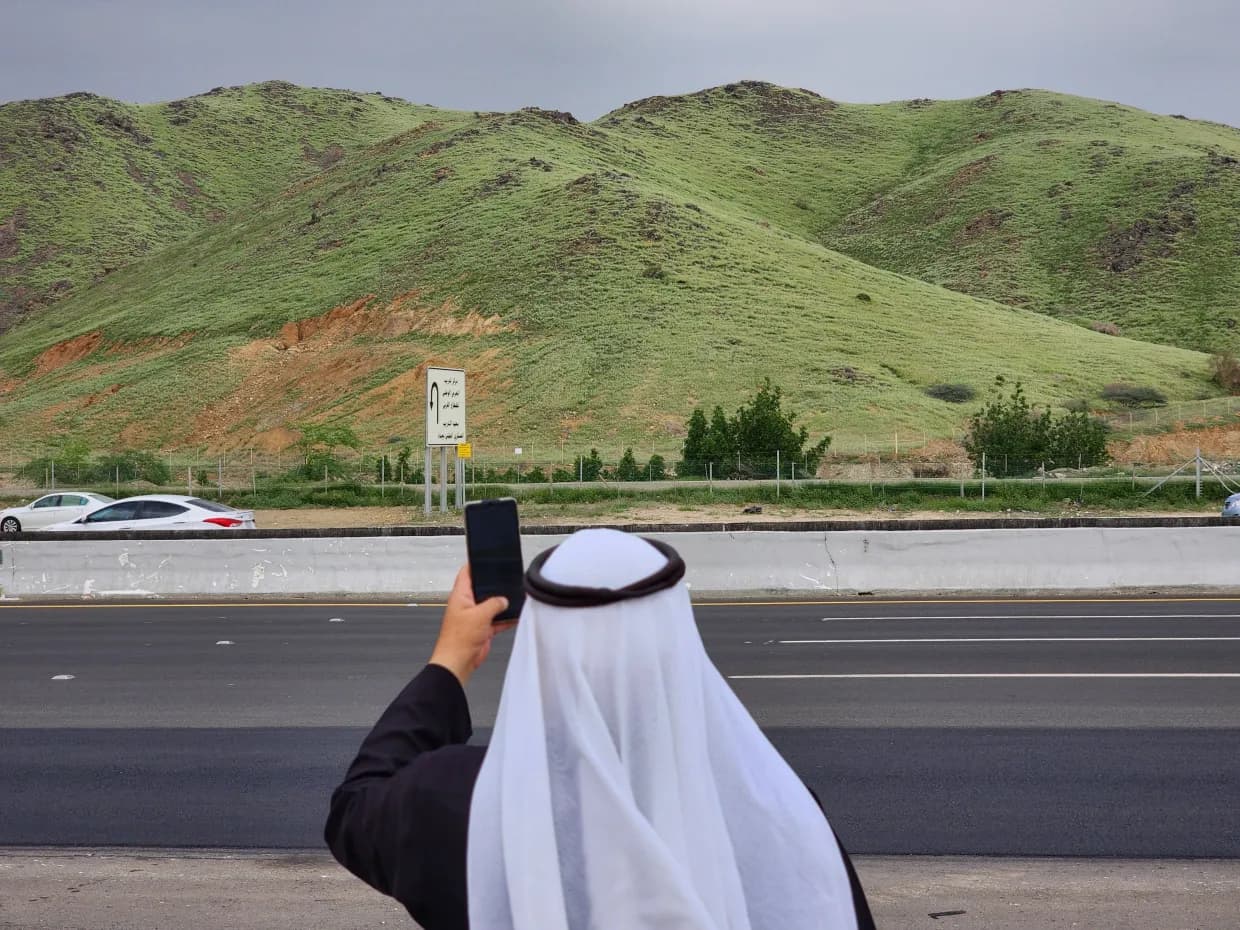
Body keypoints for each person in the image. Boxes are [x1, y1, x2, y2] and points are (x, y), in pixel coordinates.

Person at [326, 528, 875, 930]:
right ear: (677, 644)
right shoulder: (778, 814)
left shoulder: (458, 803)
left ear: (541, 650)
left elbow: (357, 802)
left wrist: (451, 661)